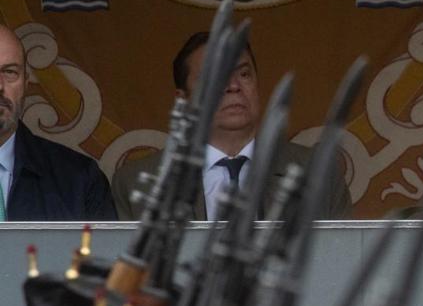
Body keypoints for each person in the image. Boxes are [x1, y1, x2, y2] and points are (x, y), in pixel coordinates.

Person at [111, 31, 351, 221]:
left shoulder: (319, 175)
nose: (233, 86)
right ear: (183, 100)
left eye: (244, 74)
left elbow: (343, 266)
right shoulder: (136, 184)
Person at [0, 25, 115, 221]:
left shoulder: (80, 180)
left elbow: (105, 251)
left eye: (10, 72)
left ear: (26, 83)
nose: (0, 85)